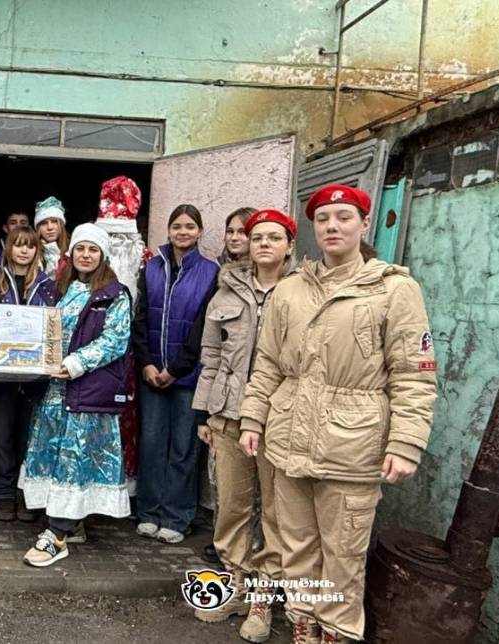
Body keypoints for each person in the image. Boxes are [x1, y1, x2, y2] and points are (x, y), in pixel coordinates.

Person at [239, 185, 437, 644]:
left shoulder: (395, 290)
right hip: (288, 440)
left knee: (344, 555)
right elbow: (267, 363)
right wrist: (253, 418)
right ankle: (303, 627)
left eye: (344, 217)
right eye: (324, 219)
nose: (332, 226)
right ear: (312, 228)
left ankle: (338, 633)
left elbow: (413, 374)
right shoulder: (291, 289)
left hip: (352, 445)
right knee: (297, 550)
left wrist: (406, 443)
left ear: (364, 224)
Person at [192, 209, 297, 642]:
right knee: (231, 505)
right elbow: (211, 357)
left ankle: (263, 598)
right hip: (230, 415)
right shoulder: (227, 290)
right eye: (257, 238)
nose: (264, 244)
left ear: (290, 244)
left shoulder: (303, 292)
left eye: (274, 237)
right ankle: (235, 583)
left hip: (281, 418)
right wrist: (206, 414)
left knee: (275, 513)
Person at [19, 223, 132, 567]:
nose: (85, 255)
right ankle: (71, 523)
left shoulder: (115, 294)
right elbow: (35, 327)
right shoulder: (55, 289)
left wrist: (76, 363)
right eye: (80, 248)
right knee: (55, 459)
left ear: (102, 255)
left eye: (93, 250)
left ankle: (57, 536)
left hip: (86, 389)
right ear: (71, 254)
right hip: (54, 391)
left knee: (75, 461)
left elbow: (115, 341)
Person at [130, 204, 219, 544]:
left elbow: (203, 329)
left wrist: (175, 369)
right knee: (152, 444)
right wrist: (148, 364)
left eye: (189, 227)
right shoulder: (152, 268)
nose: (183, 232)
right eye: (177, 226)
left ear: (199, 232)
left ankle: (177, 516)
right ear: (168, 231)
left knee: (183, 448)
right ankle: (149, 511)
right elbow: (139, 320)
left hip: (188, 377)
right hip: (152, 373)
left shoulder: (211, 272)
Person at [0, 227, 58, 522]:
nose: (23, 251)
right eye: (18, 245)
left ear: (37, 251)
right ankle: (3, 493)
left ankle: (25, 493)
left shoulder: (48, 286)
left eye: (30, 246)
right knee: (1, 435)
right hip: (1, 376)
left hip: (35, 377)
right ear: (8, 249)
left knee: (30, 437)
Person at [93, 176, 150, 502]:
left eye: (122, 234)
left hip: (129, 357)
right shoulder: (83, 260)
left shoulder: (146, 259)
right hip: (87, 357)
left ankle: (120, 485)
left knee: (124, 420)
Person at [34, 196, 68, 278]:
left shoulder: (73, 249)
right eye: (44, 223)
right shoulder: (32, 251)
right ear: (38, 228)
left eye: (54, 222)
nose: (50, 227)